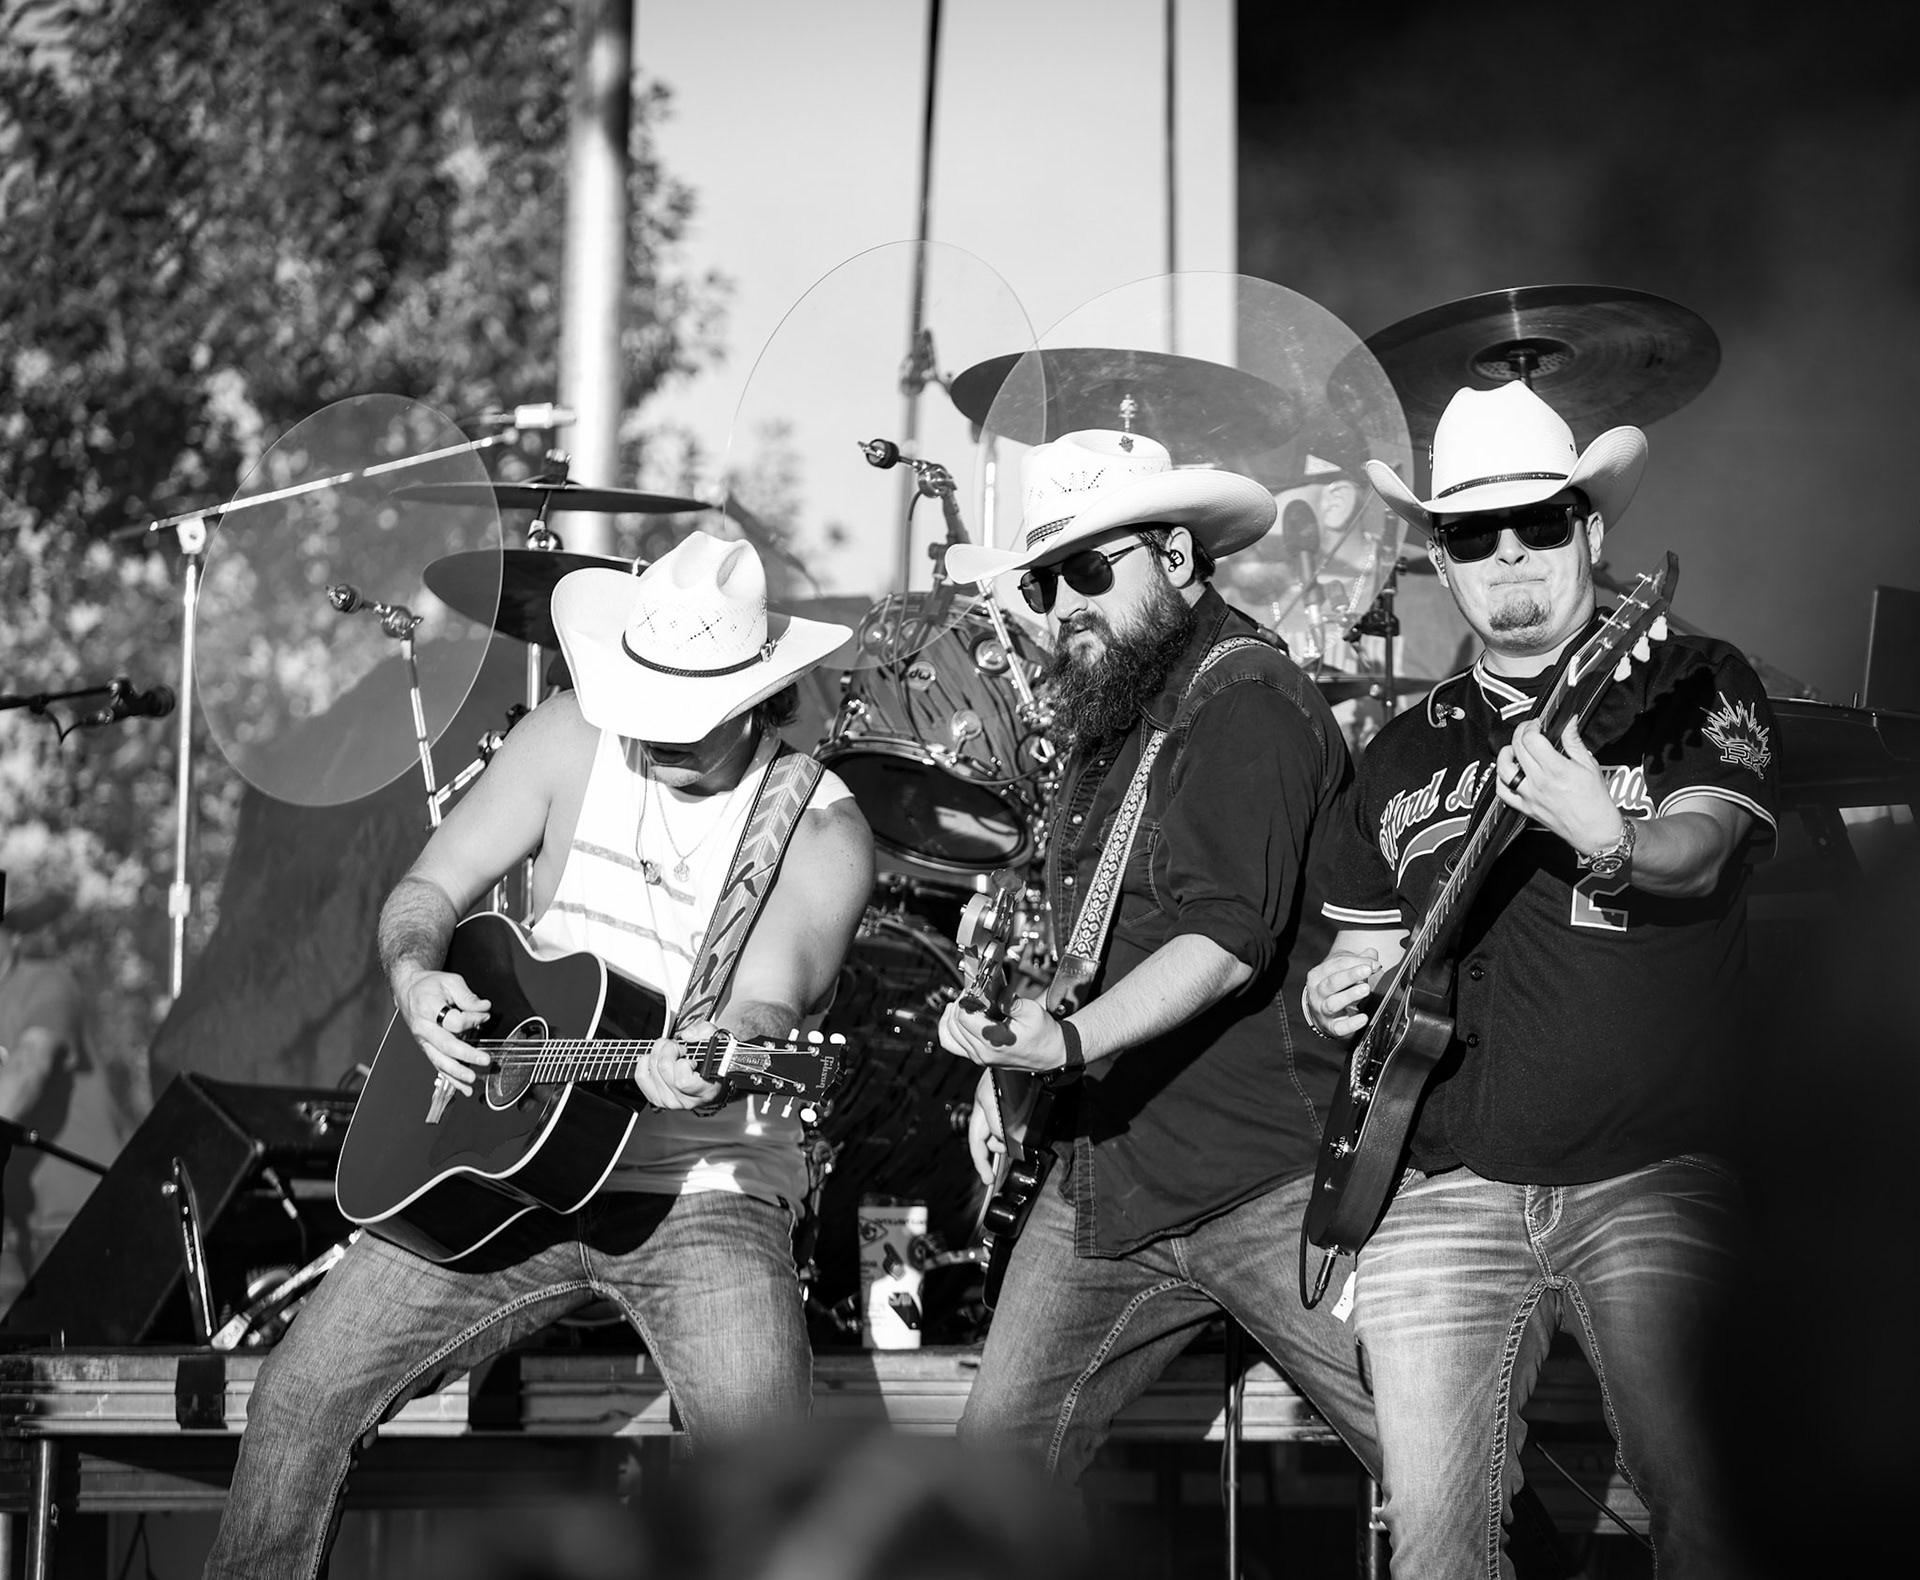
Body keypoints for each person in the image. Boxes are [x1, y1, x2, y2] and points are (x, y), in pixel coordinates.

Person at [207, 533, 875, 1579]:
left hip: (704, 1188)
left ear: (757, 697)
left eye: (687, 715)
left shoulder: (821, 830)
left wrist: (717, 1054)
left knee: (763, 1489)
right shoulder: (571, 733)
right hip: (505, 1168)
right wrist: (417, 980)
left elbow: (765, 1004)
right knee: (297, 1394)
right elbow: (427, 891)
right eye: (647, 704)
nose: (655, 734)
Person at [1304, 381, 1778, 1577]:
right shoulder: (1396, 751)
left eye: (1539, 521)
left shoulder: (1689, 675)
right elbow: (1360, 946)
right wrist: (1335, 988)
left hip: (1652, 1168)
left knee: (1716, 1510)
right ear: (1440, 559)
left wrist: (1609, 833)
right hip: (1443, 1182)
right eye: (1475, 533)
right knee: (1433, 1547)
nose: (1509, 552)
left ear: (1592, 530)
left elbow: (1705, 846)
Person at [935, 428, 1379, 1481]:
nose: (1062, 605)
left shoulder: (1247, 701)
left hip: (1266, 1186)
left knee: (1442, 1464)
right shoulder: (1124, 715)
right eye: (1042, 583)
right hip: (1109, 1181)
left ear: (1177, 555)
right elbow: (1101, 943)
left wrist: (1068, 1044)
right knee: (987, 1488)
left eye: (1089, 571)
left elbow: (1225, 942)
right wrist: (1017, 1068)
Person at [0, 888, 127, 1309]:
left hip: (79, 1222)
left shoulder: (44, 982)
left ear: (11, 934)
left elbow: (28, 1069)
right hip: (18, 1234)